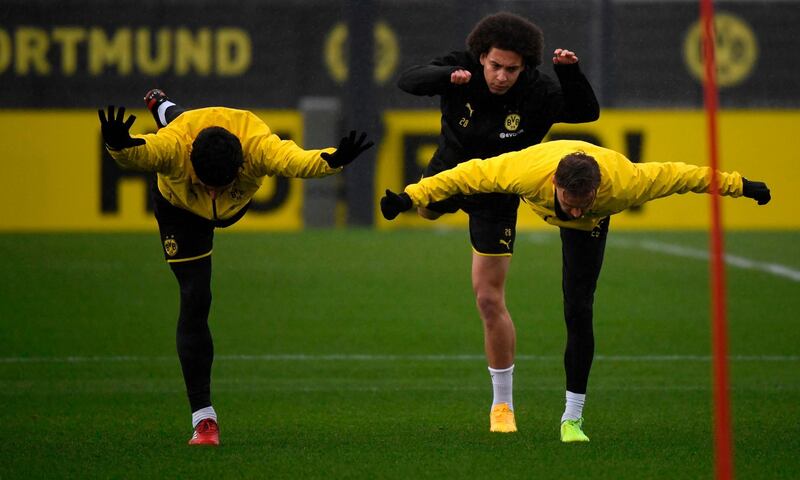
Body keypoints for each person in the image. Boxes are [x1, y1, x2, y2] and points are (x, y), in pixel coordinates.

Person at [380, 139, 771, 442]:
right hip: (524, 184)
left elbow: (687, 176)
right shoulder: (524, 170)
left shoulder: (626, 184)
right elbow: (463, 174)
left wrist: (744, 186)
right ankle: (504, 406)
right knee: (472, 194)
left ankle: (573, 417)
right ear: (555, 184)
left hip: (588, 236)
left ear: (598, 188)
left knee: (579, 309)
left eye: (586, 201)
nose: (578, 208)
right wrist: (407, 197)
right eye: (572, 201)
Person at [98, 90, 373, 446]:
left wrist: (334, 160)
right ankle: (204, 419)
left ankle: (164, 107)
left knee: (181, 121)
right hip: (181, 210)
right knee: (196, 297)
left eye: (219, 187)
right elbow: (141, 154)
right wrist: (119, 145)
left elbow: (296, 160)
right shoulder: (174, 149)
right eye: (207, 186)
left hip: (228, 199)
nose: (212, 194)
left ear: (240, 166)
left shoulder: (256, 146)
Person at [396, 11, 599, 433]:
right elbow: (408, 80)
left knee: (488, 298)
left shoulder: (538, 90)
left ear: (525, 67)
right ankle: (433, 201)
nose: (502, 76)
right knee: (425, 209)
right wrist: (446, 77)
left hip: (499, 191)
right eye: (495, 66)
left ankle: (502, 406)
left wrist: (571, 71)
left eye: (512, 69)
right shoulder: (463, 67)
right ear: (480, 57)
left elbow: (586, 111)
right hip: (450, 172)